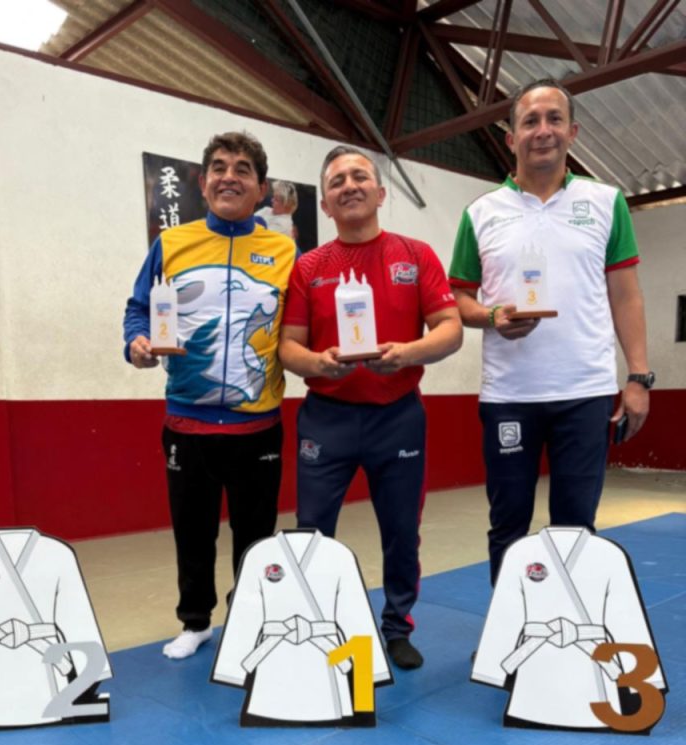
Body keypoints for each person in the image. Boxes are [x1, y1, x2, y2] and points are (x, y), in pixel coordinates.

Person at [448, 78, 653, 584]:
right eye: (530, 121)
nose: (543, 130)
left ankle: (570, 627)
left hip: (585, 393)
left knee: (576, 528)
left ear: (572, 132)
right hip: (509, 396)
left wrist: (638, 378)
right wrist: (492, 317)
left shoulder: (606, 202)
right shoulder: (480, 214)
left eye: (554, 119)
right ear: (511, 138)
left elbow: (626, 295)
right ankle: (508, 626)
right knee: (507, 526)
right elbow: (459, 299)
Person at [279, 145, 463, 670]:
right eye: (336, 181)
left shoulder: (416, 255)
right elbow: (288, 346)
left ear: (381, 193)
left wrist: (408, 353)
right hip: (326, 418)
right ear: (326, 205)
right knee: (313, 532)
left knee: (402, 530)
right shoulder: (308, 267)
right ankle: (316, 625)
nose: (349, 186)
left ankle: (397, 626)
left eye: (360, 176)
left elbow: (450, 329)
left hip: (397, 415)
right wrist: (318, 363)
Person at [123, 131, 296, 659]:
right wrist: (136, 343)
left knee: (255, 537)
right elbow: (137, 310)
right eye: (219, 167)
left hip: (258, 426)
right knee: (193, 533)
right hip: (187, 424)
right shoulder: (171, 244)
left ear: (261, 189)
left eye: (243, 169)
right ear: (202, 182)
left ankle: (249, 621)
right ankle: (195, 622)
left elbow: (301, 325)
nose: (229, 177)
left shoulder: (285, 251)